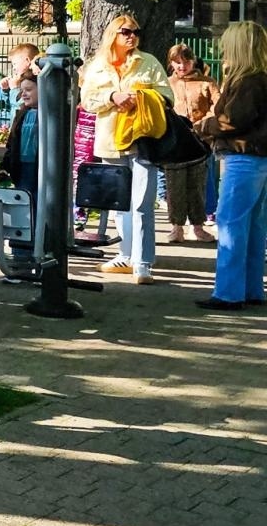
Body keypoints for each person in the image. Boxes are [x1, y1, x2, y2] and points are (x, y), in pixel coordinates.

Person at [80, 16, 173, 285]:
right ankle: (126, 254)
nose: (132, 36)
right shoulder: (98, 66)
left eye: (136, 32)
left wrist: (141, 98)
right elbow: (87, 100)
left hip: (143, 141)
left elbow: (168, 97)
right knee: (119, 202)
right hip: (111, 141)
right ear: (113, 34)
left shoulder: (148, 62)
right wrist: (112, 97)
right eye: (126, 32)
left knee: (142, 203)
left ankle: (142, 263)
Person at [194, 21, 267, 310]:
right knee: (254, 225)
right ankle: (251, 289)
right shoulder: (260, 78)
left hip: (243, 157)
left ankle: (228, 293)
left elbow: (233, 121)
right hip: (259, 157)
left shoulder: (246, 81)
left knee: (230, 223)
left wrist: (204, 126)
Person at [165, 44, 216, 244]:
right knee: (175, 186)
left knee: (198, 185)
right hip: (175, 143)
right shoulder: (167, 84)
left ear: (193, 61)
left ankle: (198, 227)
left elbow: (218, 107)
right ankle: (176, 227)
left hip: (200, 142)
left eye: (186, 62)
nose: (182, 66)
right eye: (177, 62)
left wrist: (203, 124)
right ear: (171, 63)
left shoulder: (207, 83)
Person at [0, 43, 40, 119]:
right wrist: (6, 90)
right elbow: (11, 105)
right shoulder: (21, 80)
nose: (13, 68)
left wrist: (14, 89)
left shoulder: (33, 80)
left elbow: (21, 107)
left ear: (27, 61)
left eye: (15, 64)